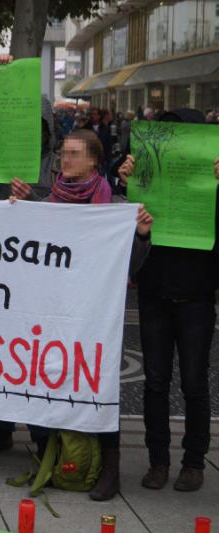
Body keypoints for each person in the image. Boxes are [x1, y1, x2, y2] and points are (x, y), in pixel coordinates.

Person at [11, 128, 155, 501]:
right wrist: (22, 207)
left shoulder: (112, 205)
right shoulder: (47, 198)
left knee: (95, 384)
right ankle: (49, 454)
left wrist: (140, 235)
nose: (66, 160)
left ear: (94, 160)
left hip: (92, 315)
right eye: (63, 153)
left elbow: (132, 266)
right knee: (41, 376)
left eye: (75, 153)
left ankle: (110, 467)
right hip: (47, 309)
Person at [117, 108, 218, 493]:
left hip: (197, 294)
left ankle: (194, 462)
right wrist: (125, 180)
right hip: (155, 291)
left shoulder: (212, 176)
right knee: (155, 381)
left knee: (194, 382)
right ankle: (158, 460)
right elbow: (125, 226)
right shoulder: (143, 169)